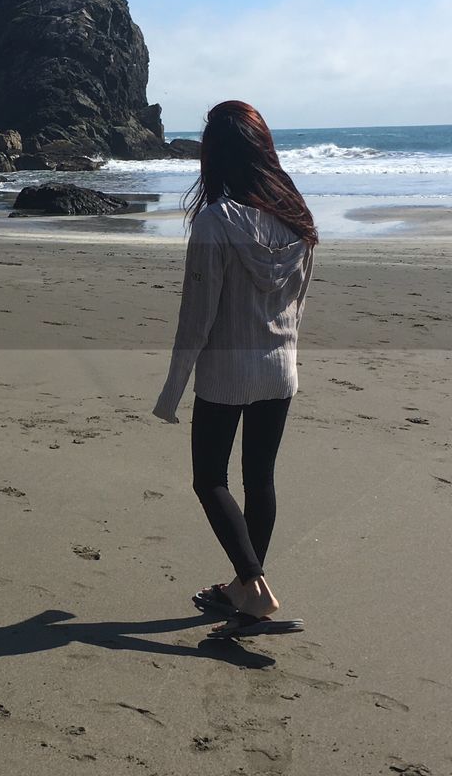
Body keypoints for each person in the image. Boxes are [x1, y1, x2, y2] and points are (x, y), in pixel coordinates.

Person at [153, 100, 318, 639]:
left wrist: (172, 390)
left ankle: (254, 584)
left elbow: (196, 317)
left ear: (214, 157)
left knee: (209, 479)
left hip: (227, 373)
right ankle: (243, 592)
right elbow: (297, 301)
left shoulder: (216, 221)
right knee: (259, 480)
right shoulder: (297, 219)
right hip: (279, 369)